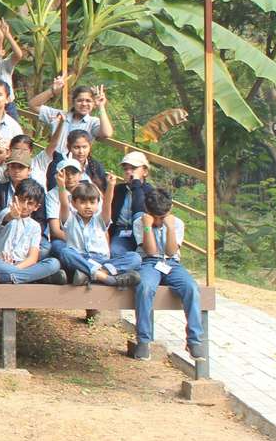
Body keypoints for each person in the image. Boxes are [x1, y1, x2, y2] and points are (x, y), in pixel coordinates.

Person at [129, 188, 204, 362]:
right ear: (147, 211)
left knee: (191, 288)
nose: (158, 221)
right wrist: (148, 226)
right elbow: (150, 251)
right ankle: (143, 340)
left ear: (170, 210)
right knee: (145, 287)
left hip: (171, 263)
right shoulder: (140, 222)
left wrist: (170, 228)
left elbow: (171, 251)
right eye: (155, 216)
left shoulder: (177, 223)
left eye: (162, 217)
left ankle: (194, 340)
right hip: (149, 262)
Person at [49, 172, 135, 287]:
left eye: (92, 202)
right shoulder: (70, 219)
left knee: (135, 258)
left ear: (98, 203)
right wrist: (61, 185)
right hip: (80, 259)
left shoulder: (100, 219)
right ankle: (108, 278)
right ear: (73, 203)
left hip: (101, 260)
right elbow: (64, 204)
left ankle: (94, 274)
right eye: (82, 202)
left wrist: (110, 186)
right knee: (65, 252)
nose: (88, 206)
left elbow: (107, 204)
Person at [0, 180, 64, 284]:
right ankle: (34, 277)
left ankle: (4, 278)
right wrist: (12, 216)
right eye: (22, 200)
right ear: (14, 198)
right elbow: (6, 219)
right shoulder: (6, 212)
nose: (24, 206)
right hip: (0, 261)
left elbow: (32, 258)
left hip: (22, 264)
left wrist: (17, 268)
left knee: (54, 263)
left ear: (36, 207)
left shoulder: (35, 226)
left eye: (30, 203)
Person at [28, 78, 113, 141]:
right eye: (80, 100)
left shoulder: (93, 122)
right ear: (73, 102)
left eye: (88, 101)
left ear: (93, 104)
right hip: (55, 158)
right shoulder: (59, 116)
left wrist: (101, 106)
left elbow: (107, 133)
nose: (84, 104)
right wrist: (52, 91)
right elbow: (33, 105)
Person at [108, 151, 156, 261]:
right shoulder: (118, 189)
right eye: (125, 169)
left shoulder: (150, 191)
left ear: (145, 172)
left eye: (133, 168)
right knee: (115, 252)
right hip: (122, 231)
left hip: (144, 231)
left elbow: (139, 210)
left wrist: (136, 185)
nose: (128, 172)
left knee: (145, 256)